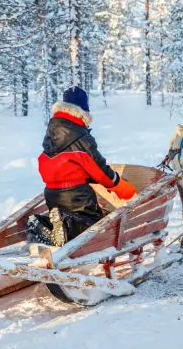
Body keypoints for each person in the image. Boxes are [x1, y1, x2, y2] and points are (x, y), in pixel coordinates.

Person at [32, 86, 136, 247]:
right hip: (77, 196)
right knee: (95, 226)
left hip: (52, 194)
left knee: (69, 219)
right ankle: (66, 226)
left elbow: (64, 164)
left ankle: (44, 224)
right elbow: (99, 169)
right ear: (83, 111)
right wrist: (118, 185)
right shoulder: (80, 136)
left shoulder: (53, 132)